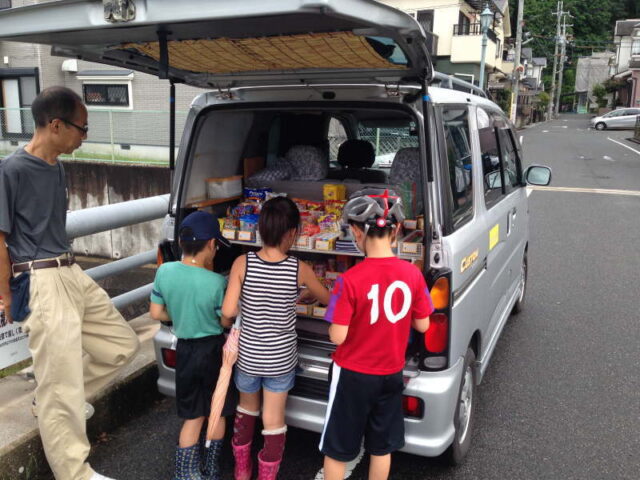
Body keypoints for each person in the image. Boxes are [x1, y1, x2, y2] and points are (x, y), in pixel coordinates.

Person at [0, 86, 140, 480]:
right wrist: (5, 293)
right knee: (59, 385)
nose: (85, 136)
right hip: (40, 278)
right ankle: (75, 473)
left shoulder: (57, 166)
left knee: (121, 345)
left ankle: (54, 404)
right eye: (82, 128)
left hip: (70, 270)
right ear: (56, 124)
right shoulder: (11, 171)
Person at [320, 188, 434, 480]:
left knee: (338, 448)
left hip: (353, 375)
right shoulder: (412, 274)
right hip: (391, 373)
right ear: (396, 230)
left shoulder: (349, 280)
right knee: (381, 448)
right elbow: (423, 325)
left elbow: (338, 337)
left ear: (357, 232)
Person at [222, 196, 330, 480]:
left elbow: (229, 310)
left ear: (261, 229)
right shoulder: (299, 269)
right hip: (280, 359)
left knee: (246, 411)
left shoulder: (242, 263)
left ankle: (242, 470)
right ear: (293, 232)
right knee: (273, 420)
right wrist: (298, 294)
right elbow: (328, 299)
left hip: (248, 356)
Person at [149, 210, 234, 480]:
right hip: (212, 351)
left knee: (192, 415)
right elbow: (224, 321)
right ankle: (210, 468)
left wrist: (180, 315)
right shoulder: (217, 282)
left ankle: (185, 474)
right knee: (216, 411)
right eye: (216, 245)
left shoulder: (165, 271)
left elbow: (156, 313)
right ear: (211, 244)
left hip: (184, 349)